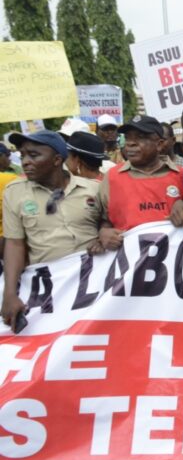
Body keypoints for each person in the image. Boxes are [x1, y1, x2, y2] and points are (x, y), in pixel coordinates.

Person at [1, 131, 101, 332]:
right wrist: (9, 293)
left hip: (96, 287)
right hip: (50, 291)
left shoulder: (94, 189)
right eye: (22, 156)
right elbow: (14, 244)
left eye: (34, 155)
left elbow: (114, 227)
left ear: (57, 159)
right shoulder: (14, 192)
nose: (26, 162)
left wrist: (106, 231)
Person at [97, 115, 183, 250]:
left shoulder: (182, 175)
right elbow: (101, 219)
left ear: (160, 144)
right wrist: (103, 232)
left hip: (176, 263)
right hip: (130, 265)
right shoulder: (111, 177)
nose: (130, 143)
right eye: (127, 137)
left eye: (140, 137)